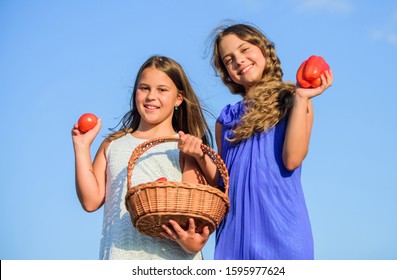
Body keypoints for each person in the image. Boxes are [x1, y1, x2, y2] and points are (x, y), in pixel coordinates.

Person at [71, 55, 217, 260]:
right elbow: (90, 201)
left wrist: (192, 244)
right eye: (144, 88)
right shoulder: (113, 145)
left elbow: (192, 222)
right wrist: (82, 146)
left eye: (162, 90)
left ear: (178, 98)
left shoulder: (184, 148)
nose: (151, 96)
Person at [209, 23, 334, 259]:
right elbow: (221, 181)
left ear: (264, 49)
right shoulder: (225, 120)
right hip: (233, 236)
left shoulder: (293, 100)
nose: (239, 60)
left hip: (282, 229)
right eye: (229, 59)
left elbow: (292, 159)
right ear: (227, 73)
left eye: (245, 49)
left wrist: (301, 97)